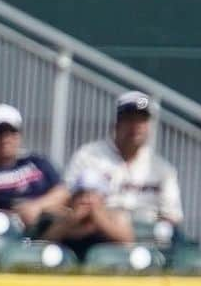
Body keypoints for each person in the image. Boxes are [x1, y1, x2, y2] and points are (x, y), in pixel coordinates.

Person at [64, 91, 184, 225]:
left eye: (142, 119)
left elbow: (173, 215)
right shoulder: (88, 156)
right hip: (98, 232)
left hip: (148, 236)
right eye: (129, 119)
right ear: (117, 123)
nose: (136, 126)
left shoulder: (163, 169)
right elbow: (68, 199)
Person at [37, 169, 134, 260]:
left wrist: (101, 221)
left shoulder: (116, 218)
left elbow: (127, 245)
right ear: (72, 200)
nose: (85, 200)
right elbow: (43, 245)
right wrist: (70, 222)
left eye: (92, 195)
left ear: (103, 198)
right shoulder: (60, 219)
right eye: (80, 195)